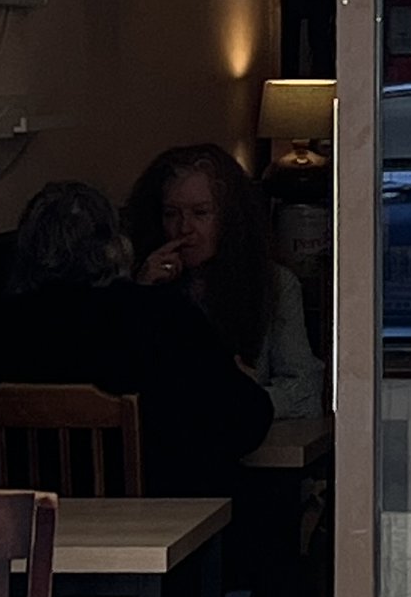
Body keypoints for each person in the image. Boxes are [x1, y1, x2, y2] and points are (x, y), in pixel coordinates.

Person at [0, 177, 272, 497]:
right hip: (157, 529)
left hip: (17, 534)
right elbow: (246, 423)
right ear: (114, 247)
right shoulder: (161, 317)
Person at [126, 143, 325, 420]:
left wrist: (243, 398)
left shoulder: (275, 284)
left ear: (229, 218)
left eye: (200, 213)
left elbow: (305, 390)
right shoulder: (139, 280)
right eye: (171, 214)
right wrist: (139, 296)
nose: (184, 228)